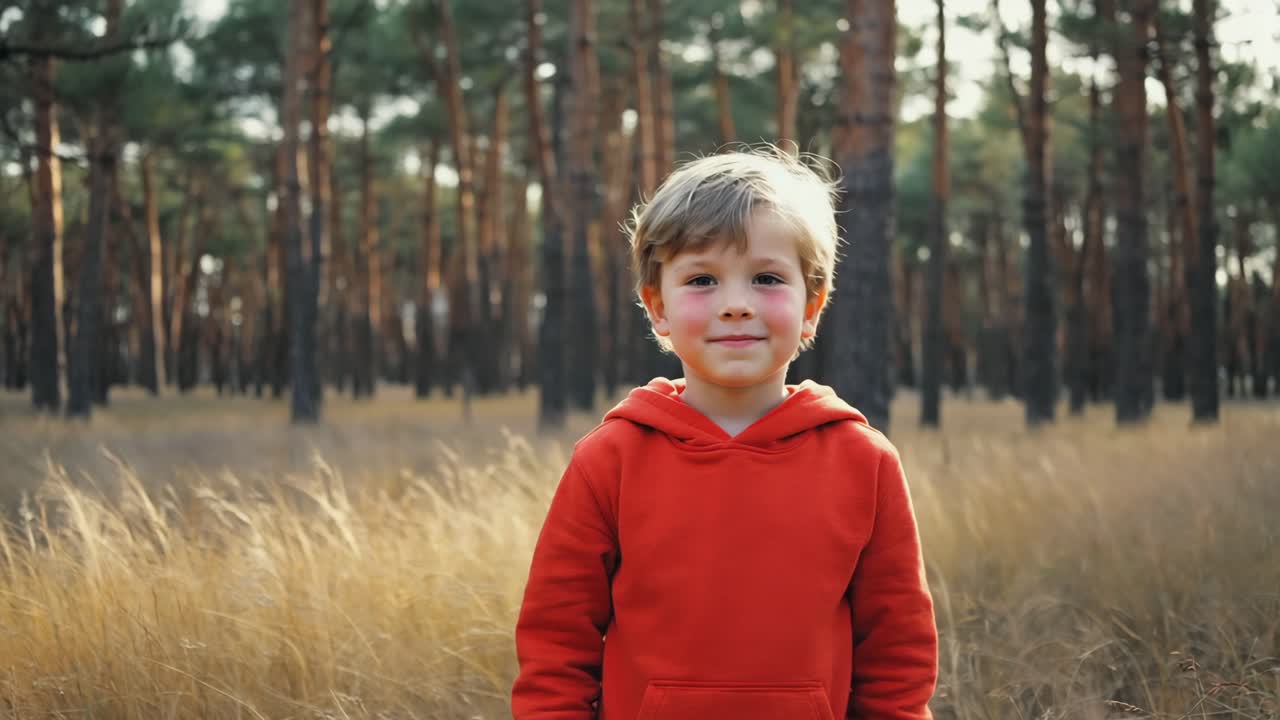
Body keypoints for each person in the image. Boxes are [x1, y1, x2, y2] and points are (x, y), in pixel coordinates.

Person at [511, 146, 937, 720]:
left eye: (766, 278)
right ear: (657, 307)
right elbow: (556, 644)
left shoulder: (864, 461)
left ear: (812, 305)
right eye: (702, 280)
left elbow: (897, 655)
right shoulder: (610, 459)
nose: (736, 305)